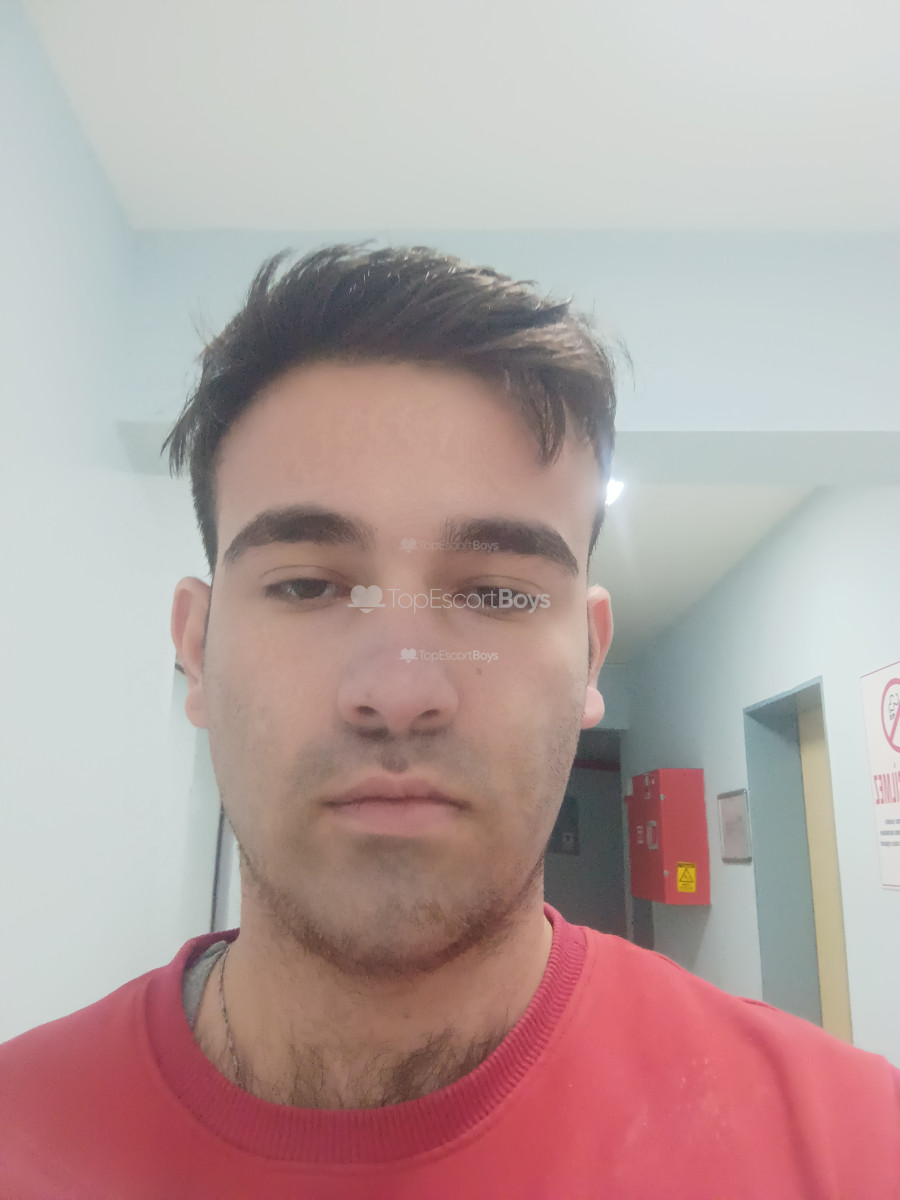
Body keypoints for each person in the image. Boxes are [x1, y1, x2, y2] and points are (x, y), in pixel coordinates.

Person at [1, 244, 897, 1199]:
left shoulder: (856, 1150)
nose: (400, 692)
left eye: (498, 595)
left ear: (590, 658)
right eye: (306, 585)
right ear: (196, 646)